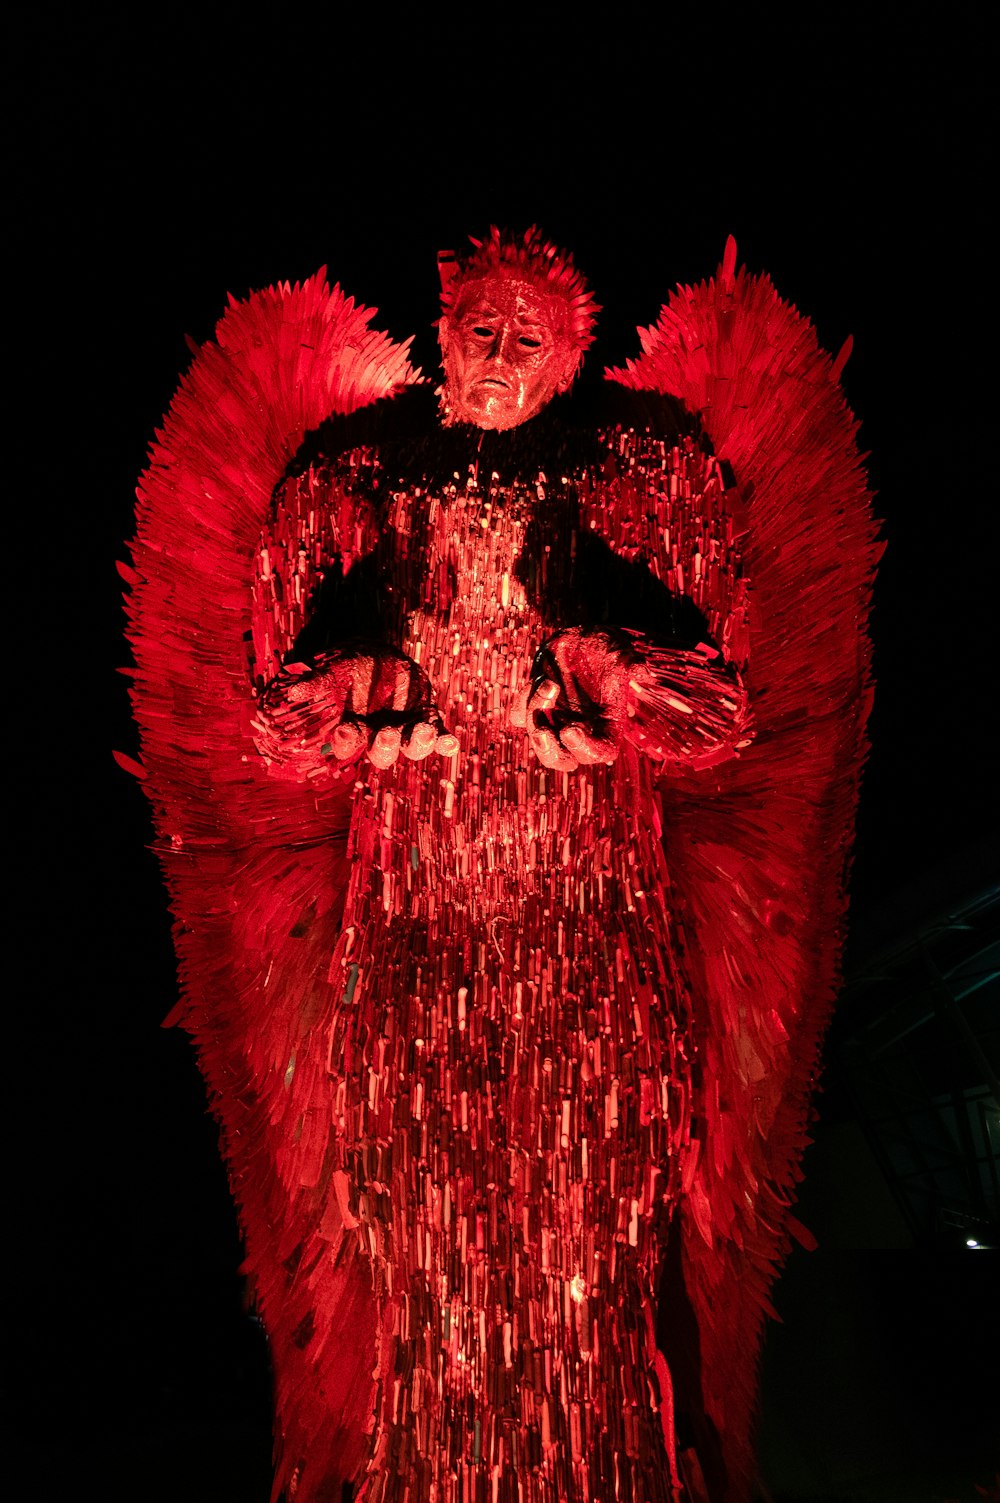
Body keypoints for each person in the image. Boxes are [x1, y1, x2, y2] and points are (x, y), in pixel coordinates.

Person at [125, 228, 878, 1503]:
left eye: (527, 336)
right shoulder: (347, 478)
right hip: (411, 941)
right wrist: (342, 697)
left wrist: (616, 666)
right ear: (440, 315)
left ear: (571, 354)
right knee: (425, 1261)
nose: (494, 353)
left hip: (597, 942)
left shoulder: (649, 469)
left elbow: (724, 720)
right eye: (480, 322)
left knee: (593, 1264)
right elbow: (273, 735)